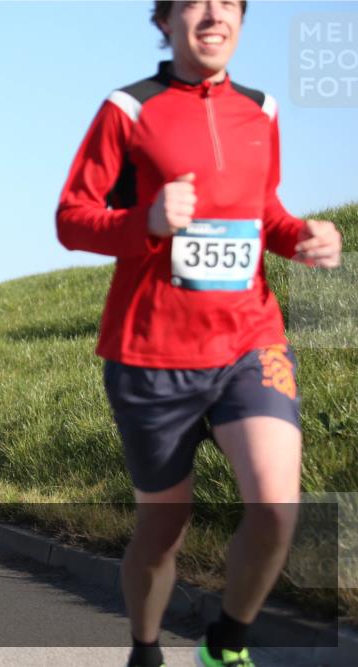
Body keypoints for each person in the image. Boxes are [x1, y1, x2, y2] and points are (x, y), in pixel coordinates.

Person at [55, 3, 343, 666]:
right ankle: (146, 648)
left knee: (276, 506)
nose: (215, 13)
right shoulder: (128, 109)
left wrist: (301, 236)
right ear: (165, 20)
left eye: (229, 2)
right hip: (151, 354)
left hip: (250, 340)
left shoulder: (261, 110)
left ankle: (225, 645)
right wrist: (148, 221)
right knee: (164, 529)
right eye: (195, 1)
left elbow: (264, 211)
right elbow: (71, 218)